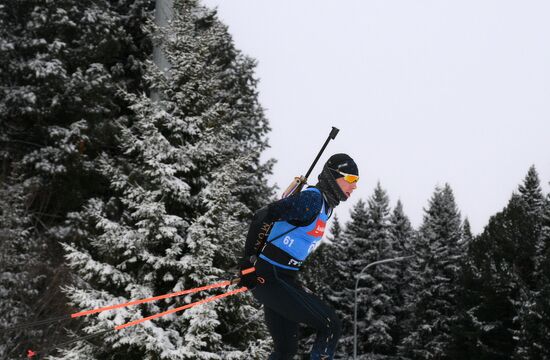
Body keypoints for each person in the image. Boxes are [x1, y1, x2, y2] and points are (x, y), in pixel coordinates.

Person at [239, 153, 359, 360]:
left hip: (282, 278)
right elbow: (262, 216)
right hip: (270, 277)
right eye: (350, 179)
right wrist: (246, 264)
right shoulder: (312, 199)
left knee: (285, 350)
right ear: (332, 176)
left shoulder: (325, 207)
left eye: (356, 181)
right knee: (330, 325)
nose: (354, 186)